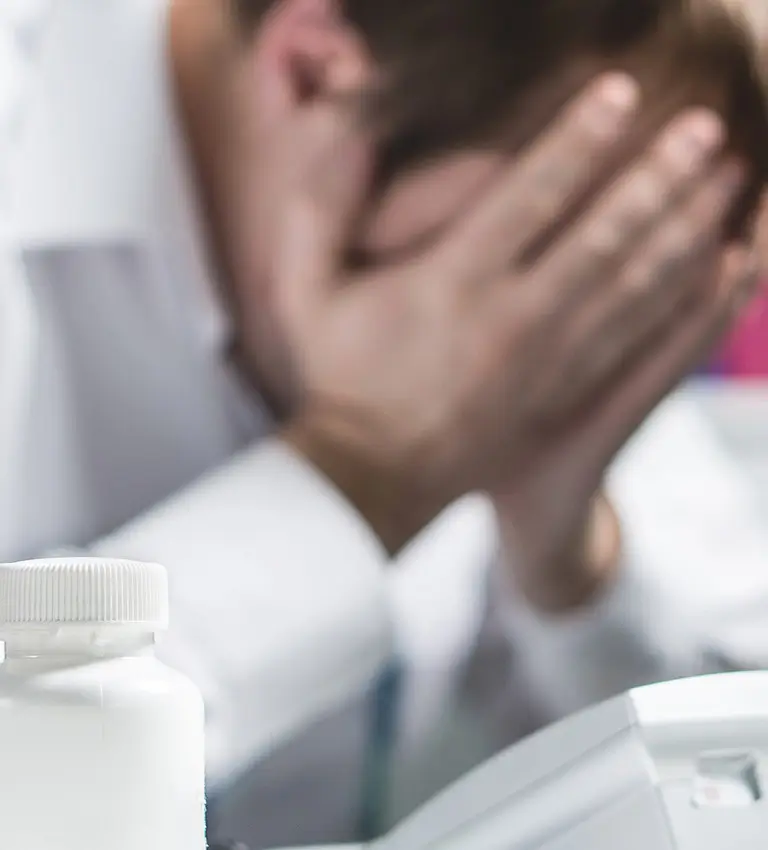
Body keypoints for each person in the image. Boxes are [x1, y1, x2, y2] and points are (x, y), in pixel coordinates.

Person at [2, 0, 768, 846]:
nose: (561, 319)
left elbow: (719, 771)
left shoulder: (570, 219)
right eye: (542, 244)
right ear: (310, 73)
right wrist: (363, 470)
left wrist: (568, 566)